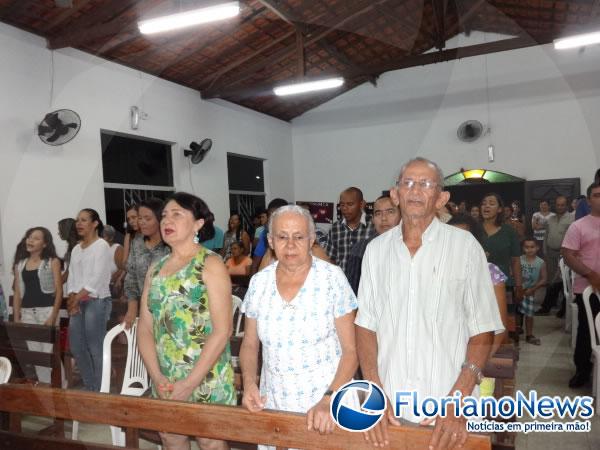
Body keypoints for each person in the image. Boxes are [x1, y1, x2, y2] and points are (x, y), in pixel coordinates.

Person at [356, 158, 503, 448]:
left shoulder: (464, 247)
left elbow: (483, 329)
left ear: (441, 198)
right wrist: (374, 390)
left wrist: (458, 399)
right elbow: (365, 326)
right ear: (395, 194)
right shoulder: (376, 252)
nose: (415, 191)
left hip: (448, 407)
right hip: (390, 408)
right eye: (407, 183)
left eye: (425, 184)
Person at [240, 205, 358, 446]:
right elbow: (250, 344)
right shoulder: (259, 283)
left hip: (328, 401)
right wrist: (249, 384)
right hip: (275, 401)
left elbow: (351, 351)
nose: (290, 245)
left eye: (299, 236)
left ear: (311, 239)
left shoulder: (331, 278)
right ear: (271, 241)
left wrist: (329, 399)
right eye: (282, 237)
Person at [138, 192, 235, 450]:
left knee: (210, 441)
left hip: (207, 374)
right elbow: (146, 328)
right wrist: (156, 375)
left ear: (198, 224)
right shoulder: (155, 270)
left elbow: (223, 331)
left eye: (177, 214)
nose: (167, 220)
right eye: (165, 215)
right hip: (166, 376)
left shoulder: (210, 264)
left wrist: (190, 383)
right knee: (171, 438)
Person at [448, 214, 509, 397]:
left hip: (478, 358)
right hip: (444, 355)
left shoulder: (489, 271)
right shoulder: (436, 269)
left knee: (468, 417)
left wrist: (476, 365)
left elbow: (499, 329)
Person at [66, 209, 112, 391]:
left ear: (95, 224)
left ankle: (101, 390)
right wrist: (72, 298)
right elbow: (71, 276)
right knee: (77, 348)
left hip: (96, 301)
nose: (79, 223)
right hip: (78, 301)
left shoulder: (102, 245)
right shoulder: (77, 248)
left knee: (95, 349)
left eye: (84, 220)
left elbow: (97, 278)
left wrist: (75, 299)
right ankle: (91, 386)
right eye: (78, 220)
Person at [12, 227, 63, 384]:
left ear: (45, 243)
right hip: (27, 314)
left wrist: (53, 317)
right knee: (36, 357)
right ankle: (46, 388)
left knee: (49, 355)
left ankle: (60, 388)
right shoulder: (20, 265)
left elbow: (59, 292)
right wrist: (16, 318)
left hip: (46, 312)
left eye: (36, 238)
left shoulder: (52, 262)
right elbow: (18, 294)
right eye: (29, 237)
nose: (30, 240)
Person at [562, 182, 600, 388]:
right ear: (589, 200)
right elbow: (568, 255)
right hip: (588, 288)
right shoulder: (579, 226)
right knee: (588, 331)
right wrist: (590, 274)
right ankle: (583, 371)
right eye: (597, 195)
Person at [123, 198, 169, 330]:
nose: (141, 222)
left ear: (161, 220)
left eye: (147, 219)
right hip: (144, 311)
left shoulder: (171, 246)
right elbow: (131, 277)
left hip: (170, 310)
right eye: (140, 218)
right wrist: (132, 308)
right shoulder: (137, 243)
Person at [345, 195, 400, 294]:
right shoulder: (360, 249)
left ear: (402, 216)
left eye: (390, 212)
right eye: (378, 213)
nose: (384, 218)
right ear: (373, 219)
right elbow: (352, 293)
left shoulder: (412, 247)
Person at [480, 193, 524, 315]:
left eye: (491, 203)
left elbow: (515, 261)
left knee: (505, 322)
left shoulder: (509, 231)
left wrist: (519, 286)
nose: (486, 206)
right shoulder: (474, 230)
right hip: (478, 284)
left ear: (499, 209)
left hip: (504, 284)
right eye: (483, 203)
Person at [537, 196, 573, 316]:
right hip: (550, 253)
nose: (560, 207)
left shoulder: (571, 219)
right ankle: (547, 306)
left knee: (563, 280)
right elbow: (546, 235)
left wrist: (565, 253)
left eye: (562, 205)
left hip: (564, 254)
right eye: (558, 205)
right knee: (551, 280)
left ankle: (563, 308)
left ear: (566, 205)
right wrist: (545, 251)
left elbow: (571, 238)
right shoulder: (550, 219)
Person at [325, 187, 374, 272]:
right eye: (342, 205)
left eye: (350, 204)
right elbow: (330, 259)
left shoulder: (374, 226)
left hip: (365, 283)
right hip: (341, 282)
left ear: (361, 204)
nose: (345, 209)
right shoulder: (335, 229)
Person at [519, 238, 547, 345]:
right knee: (517, 312)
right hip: (518, 290)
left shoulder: (541, 262)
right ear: (523, 248)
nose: (529, 249)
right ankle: (517, 329)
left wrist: (533, 289)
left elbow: (544, 279)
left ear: (537, 248)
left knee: (529, 314)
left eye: (532, 247)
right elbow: (513, 273)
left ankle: (529, 334)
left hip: (530, 292)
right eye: (526, 247)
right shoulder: (519, 260)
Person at [251, 198, 289, 274]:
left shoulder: (303, 236)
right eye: (270, 215)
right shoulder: (266, 234)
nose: (272, 219)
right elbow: (255, 264)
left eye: (276, 215)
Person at [102, 225, 125, 299]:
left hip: (113, 286)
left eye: (103, 236)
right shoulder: (98, 249)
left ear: (111, 237)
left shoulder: (117, 248)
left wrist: (109, 280)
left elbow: (122, 269)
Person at [57, 217, 78, 283]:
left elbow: (69, 272)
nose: (58, 233)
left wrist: (56, 286)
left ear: (66, 230)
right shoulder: (72, 246)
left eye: (60, 230)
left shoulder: (77, 247)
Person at [120, 205, 139, 270]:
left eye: (134, 217)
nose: (131, 221)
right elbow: (124, 262)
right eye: (129, 219)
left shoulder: (151, 234)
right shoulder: (129, 236)